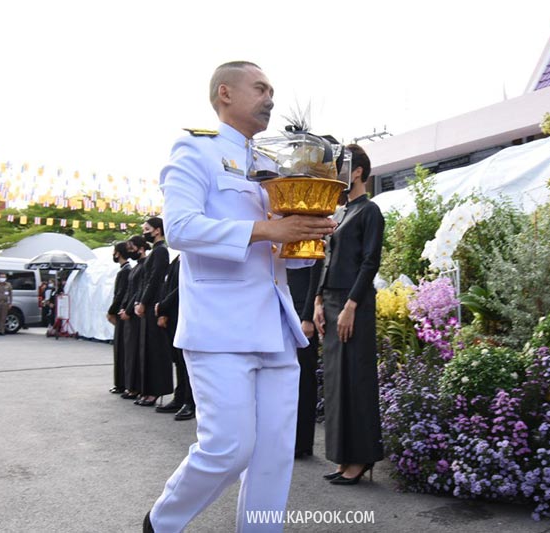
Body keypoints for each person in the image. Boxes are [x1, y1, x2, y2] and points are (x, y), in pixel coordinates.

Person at [145, 61, 336, 533]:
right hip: (220, 327)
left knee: (273, 455)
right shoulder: (196, 150)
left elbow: (277, 257)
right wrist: (271, 227)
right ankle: (162, 523)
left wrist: (304, 240)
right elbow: (180, 229)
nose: (271, 97)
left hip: (274, 326)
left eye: (273, 90)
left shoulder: (275, 165)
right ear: (225, 93)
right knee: (228, 448)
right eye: (261, 88)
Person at [313, 143, 385, 485]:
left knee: (356, 380)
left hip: (353, 303)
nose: (338, 173)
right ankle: (344, 457)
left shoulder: (370, 212)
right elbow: (325, 259)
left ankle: (362, 459)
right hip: (330, 302)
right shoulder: (340, 213)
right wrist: (317, 301)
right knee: (336, 383)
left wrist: (351, 306)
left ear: (357, 172)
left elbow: (370, 262)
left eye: (343, 167)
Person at [133, 217, 174, 407]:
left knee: (156, 350)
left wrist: (145, 301)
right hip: (147, 305)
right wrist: (139, 301)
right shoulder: (154, 252)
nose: (145, 232)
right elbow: (145, 280)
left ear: (157, 230)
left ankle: (156, 391)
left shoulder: (161, 251)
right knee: (147, 349)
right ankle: (147, 389)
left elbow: (155, 279)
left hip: (154, 304)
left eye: (147, 229)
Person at [154, 254, 195, 421]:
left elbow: (182, 287)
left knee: (187, 362)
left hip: (184, 312)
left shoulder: (190, 257)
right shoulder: (177, 258)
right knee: (178, 359)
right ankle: (180, 397)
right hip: (173, 314)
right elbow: (166, 286)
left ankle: (190, 402)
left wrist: (163, 306)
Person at [287, 265, 320, 458]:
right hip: (285, 308)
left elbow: (316, 274)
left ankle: (302, 442)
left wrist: (308, 316)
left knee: (304, 377)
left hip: (302, 313)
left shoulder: (311, 235)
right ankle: (290, 440)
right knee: (287, 379)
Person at [118, 235, 149, 400]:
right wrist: (123, 308)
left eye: (132, 248)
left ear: (140, 248)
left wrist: (129, 310)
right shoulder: (136, 267)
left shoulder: (144, 266)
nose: (129, 251)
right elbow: (129, 291)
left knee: (136, 352)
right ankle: (130, 386)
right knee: (129, 351)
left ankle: (136, 387)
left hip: (135, 313)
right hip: (129, 311)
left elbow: (139, 291)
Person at [107, 242, 132, 394]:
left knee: (121, 350)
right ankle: (121, 383)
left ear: (118, 253)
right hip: (121, 310)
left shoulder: (125, 271)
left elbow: (120, 294)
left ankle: (121, 383)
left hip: (121, 311)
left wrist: (111, 311)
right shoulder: (125, 269)